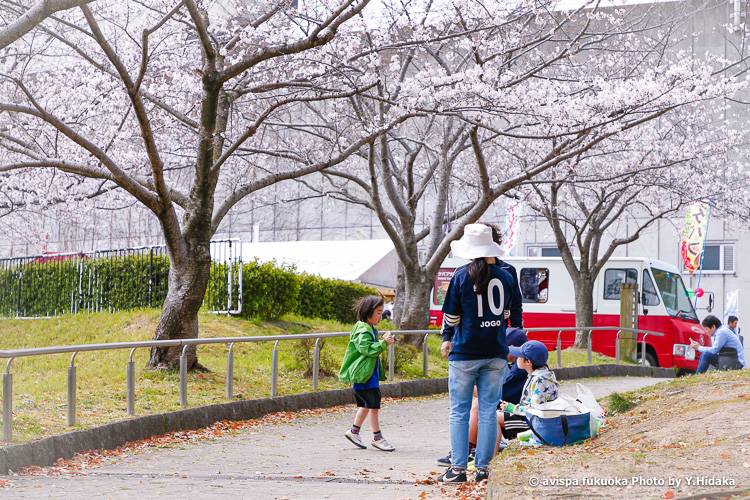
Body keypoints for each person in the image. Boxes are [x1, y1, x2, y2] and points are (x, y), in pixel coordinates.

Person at [438, 224, 514, 484]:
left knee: (459, 411)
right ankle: (483, 468)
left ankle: (458, 469)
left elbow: (451, 316)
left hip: (465, 353)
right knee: (488, 411)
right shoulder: (506, 276)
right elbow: (507, 314)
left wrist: (448, 338)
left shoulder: (460, 276)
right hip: (496, 352)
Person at [435, 327, 529, 468]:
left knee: (479, 404)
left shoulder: (519, 370)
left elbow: (497, 395)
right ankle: (473, 448)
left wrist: (465, 387)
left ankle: (468, 450)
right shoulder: (517, 364)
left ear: (511, 347)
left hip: (521, 413)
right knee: (479, 403)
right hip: (519, 408)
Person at [339, 295, 396, 451]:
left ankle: (354, 431)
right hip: (365, 376)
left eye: (382, 313)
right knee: (373, 406)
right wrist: (383, 343)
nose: (381, 317)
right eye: (378, 313)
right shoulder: (363, 330)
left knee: (367, 405)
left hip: (368, 375)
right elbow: (368, 349)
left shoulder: (369, 329)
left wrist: (382, 341)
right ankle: (377, 437)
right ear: (368, 312)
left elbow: (370, 347)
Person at [498, 340, 559, 442]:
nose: (516, 359)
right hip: (534, 419)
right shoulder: (539, 374)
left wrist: (512, 408)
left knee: (495, 417)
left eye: (519, 357)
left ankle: (492, 451)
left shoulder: (540, 380)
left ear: (528, 362)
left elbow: (534, 410)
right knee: (497, 414)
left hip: (537, 422)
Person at [485, 223, 524, 329]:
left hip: (499, 329)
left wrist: (517, 330)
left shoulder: (508, 270)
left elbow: (516, 303)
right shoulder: (464, 273)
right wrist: (448, 335)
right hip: (471, 331)